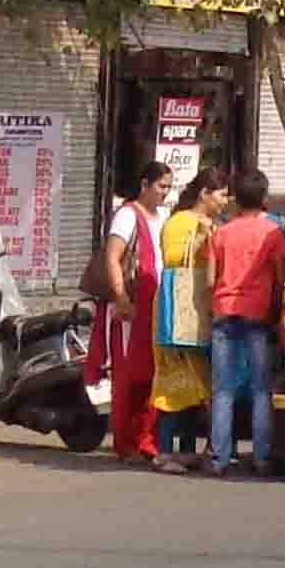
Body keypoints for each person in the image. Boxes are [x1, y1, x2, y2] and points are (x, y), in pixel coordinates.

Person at [201, 167, 285, 475]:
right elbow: (280, 278)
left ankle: (219, 459)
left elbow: (210, 280)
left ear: (236, 199)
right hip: (258, 314)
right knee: (260, 389)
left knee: (223, 390)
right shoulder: (274, 233)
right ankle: (262, 457)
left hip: (224, 313)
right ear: (264, 198)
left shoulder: (221, 233)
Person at [93, 161, 172, 463]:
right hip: (132, 306)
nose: (165, 193)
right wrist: (121, 298)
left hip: (157, 304)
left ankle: (146, 440)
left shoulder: (164, 215)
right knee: (129, 376)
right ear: (144, 185)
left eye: (168, 187)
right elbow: (113, 258)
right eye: (161, 186)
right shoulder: (127, 215)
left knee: (154, 375)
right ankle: (126, 444)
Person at [153, 173, 218, 470]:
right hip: (175, 310)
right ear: (205, 193)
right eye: (221, 195)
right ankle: (165, 451)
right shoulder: (178, 223)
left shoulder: (212, 225)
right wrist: (202, 238)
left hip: (197, 311)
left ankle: (187, 449)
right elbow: (174, 259)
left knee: (196, 384)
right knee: (173, 381)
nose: (224, 201)